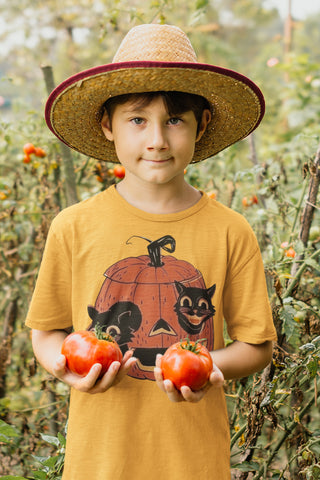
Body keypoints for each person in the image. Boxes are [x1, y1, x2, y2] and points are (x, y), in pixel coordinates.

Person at [26, 23, 277, 480]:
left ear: (201, 126)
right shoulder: (74, 226)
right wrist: (65, 368)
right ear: (108, 126)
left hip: (193, 461)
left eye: (175, 120)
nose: (157, 139)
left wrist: (207, 367)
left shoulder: (230, 230)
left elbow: (256, 345)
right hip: (99, 461)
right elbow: (46, 331)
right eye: (138, 120)